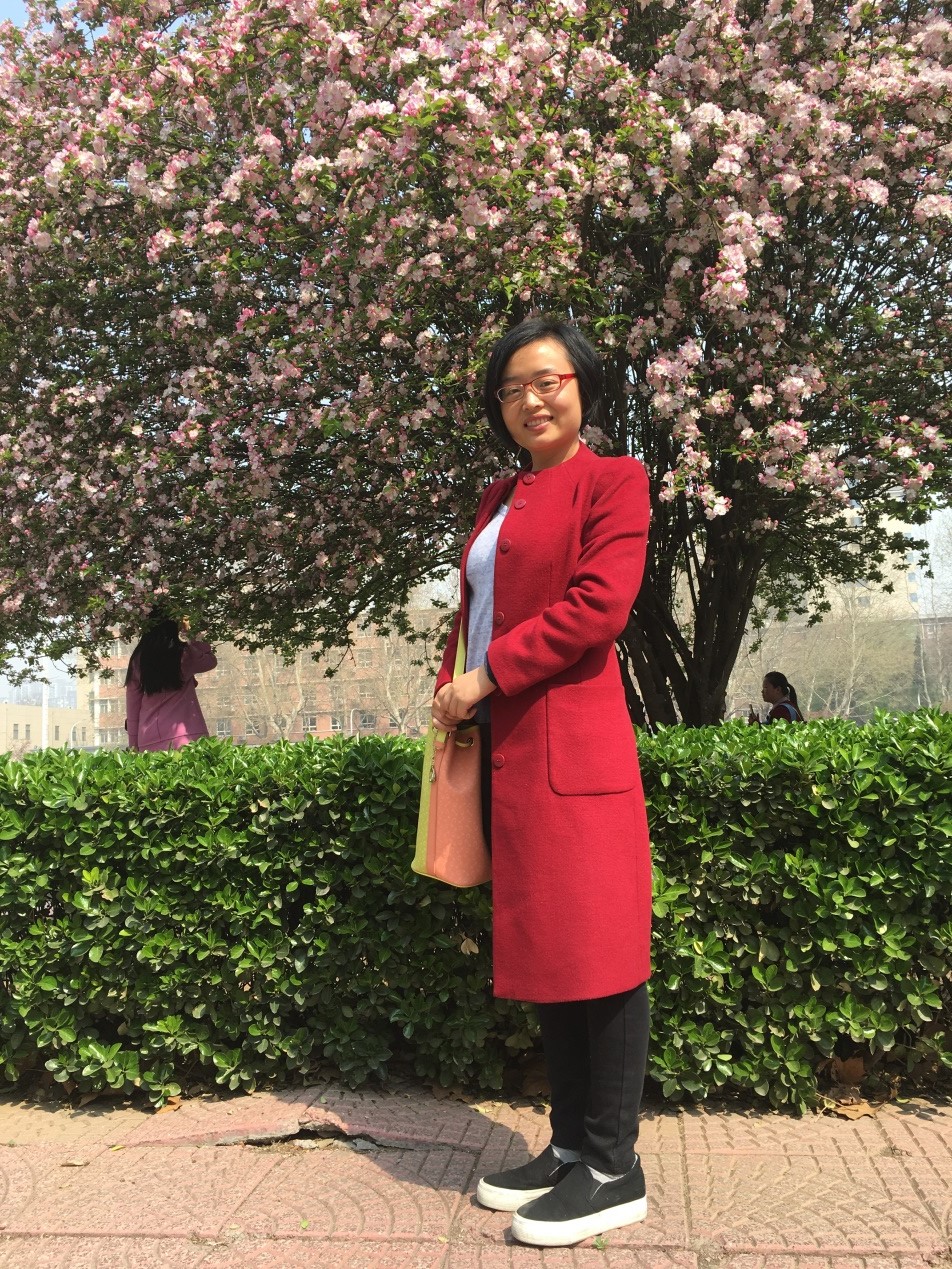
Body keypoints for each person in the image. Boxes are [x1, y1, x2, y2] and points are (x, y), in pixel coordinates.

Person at [430, 316, 652, 1248]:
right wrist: (453, 687)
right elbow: (478, 607)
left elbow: (598, 606)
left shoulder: (616, 480)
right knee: (555, 956)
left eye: (548, 380)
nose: (531, 398)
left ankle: (614, 1166)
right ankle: (569, 1148)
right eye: (513, 386)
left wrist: (486, 675)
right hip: (505, 750)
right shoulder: (499, 493)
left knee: (602, 956)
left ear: (582, 387)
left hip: (576, 754)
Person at [125, 612, 217, 752]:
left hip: (149, 738)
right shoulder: (185, 654)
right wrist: (193, 635)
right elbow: (210, 661)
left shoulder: (138, 659)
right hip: (187, 736)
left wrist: (133, 744)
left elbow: (133, 705)